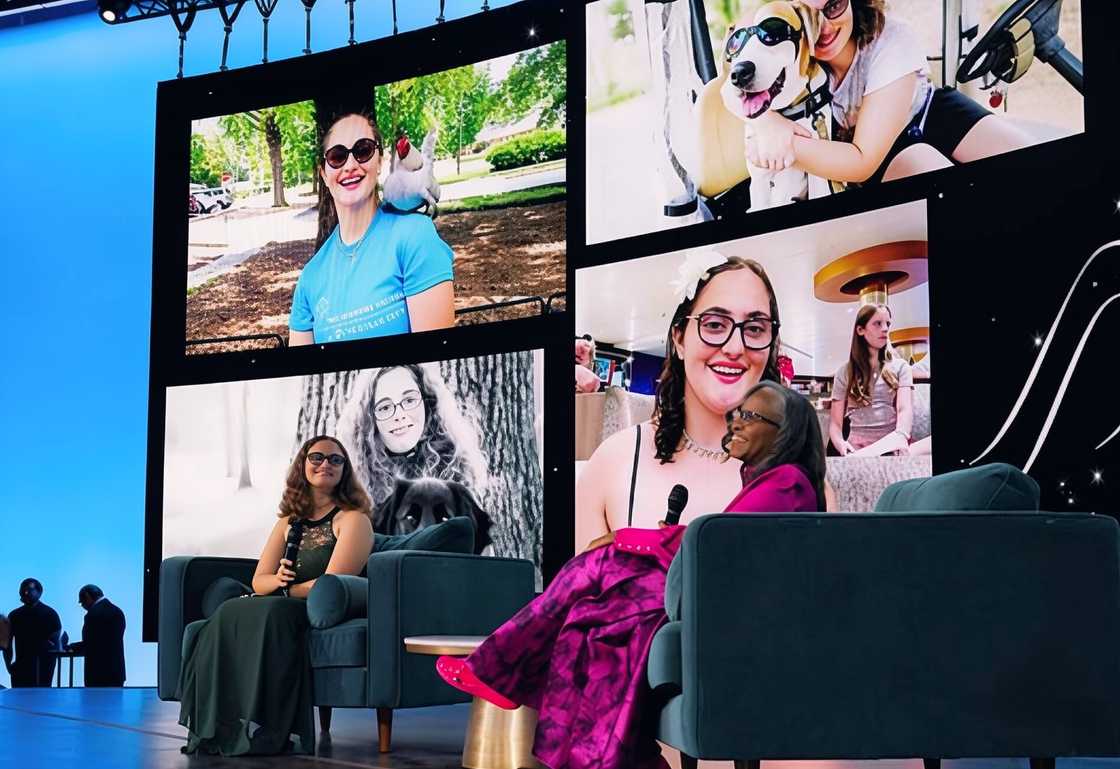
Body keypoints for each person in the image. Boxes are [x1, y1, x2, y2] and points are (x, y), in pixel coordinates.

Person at [435, 384, 826, 769]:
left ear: (785, 431)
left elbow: (718, 543)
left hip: (726, 613)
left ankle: (497, 667)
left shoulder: (788, 481)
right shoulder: (770, 481)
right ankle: (611, 748)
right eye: (737, 413)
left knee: (597, 566)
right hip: (713, 599)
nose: (736, 422)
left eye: (752, 416)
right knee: (589, 617)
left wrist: (630, 538)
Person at [177, 436, 374, 755]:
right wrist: (279, 580)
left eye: (336, 460)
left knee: (270, 612)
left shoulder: (353, 520)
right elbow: (259, 581)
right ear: (303, 465)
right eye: (317, 457)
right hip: (282, 600)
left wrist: (286, 587)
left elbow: (333, 584)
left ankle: (263, 728)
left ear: (345, 470)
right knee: (229, 610)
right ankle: (223, 725)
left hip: (310, 608)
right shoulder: (287, 522)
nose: (326, 464)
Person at [576, 252, 784, 551]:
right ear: (679, 339)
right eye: (714, 324)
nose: (735, 347)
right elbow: (576, 591)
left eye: (755, 329)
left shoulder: (800, 478)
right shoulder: (611, 463)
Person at [748, 0, 1032, 187]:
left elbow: (860, 160)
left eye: (833, 5)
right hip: (868, 153)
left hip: (928, 110)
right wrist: (764, 121)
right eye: (805, 15)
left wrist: (785, 146)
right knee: (949, 192)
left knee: (1034, 165)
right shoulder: (783, 56)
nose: (823, 27)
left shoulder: (892, 39)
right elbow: (730, 86)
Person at [288, 111, 455, 345]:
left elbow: (435, 363)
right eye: (337, 156)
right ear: (324, 174)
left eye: (363, 150)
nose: (350, 165)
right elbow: (304, 379)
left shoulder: (415, 235)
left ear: (380, 162)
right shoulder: (310, 278)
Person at [336, 363, 488, 528]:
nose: (399, 415)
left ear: (428, 402)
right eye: (385, 407)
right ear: (369, 420)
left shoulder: (458, 469)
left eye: (409, 400)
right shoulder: (352, 485)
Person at [829, 304, 914, 456]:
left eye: (888, 323)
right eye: (877, 323)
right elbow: (835, 424)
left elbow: (904, 410)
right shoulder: (844, 373)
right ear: (860, 330)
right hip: (856, 450)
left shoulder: (901, 367)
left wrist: (901, 436)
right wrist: (841, 444)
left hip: (891, 448)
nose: (885, 329)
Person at [3, 578, 62, 688]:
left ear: (39, 592)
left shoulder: (50, 614)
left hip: (43, 668)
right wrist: (9, 666)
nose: (24, 592)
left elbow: (55, 645)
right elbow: (7, 644)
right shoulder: (15, 615)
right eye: (22, 590)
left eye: (28, 590)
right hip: (22, 667)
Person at [66, 585, 126, 687]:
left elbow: (91, 643)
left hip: (97, 672)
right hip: (117, 670)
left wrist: (71, 646)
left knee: (94, 702)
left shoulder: (93, 614)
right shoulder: (117, 611)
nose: (82, 606)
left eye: (82, 602)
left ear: (87, 596)